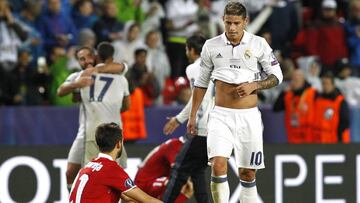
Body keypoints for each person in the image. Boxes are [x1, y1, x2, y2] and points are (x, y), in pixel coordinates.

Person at [187, 2, 283, 203]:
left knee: (247, 173)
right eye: (228, 22)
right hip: (220, 115)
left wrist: (255, 85)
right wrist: (192, 115)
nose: (231, 28)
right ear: (223, 20)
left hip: (248, 118)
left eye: (236, 23)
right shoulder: (211, 46)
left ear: (245, 22)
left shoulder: (258, 44)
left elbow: (277, 76)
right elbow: (201, 83)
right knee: (218, 164)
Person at [56, 46, 127, 189]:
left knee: (108, 175)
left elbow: (123, 66)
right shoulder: (80, 76)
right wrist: (77, 84)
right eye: (81, 59)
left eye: (88, 56)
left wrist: (97, 70)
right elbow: (60, 91)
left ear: (95, 56)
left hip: (108, 132)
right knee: (70, 173)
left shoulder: (115, 75)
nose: (86, 61)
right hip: (85, 132)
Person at [162, 34, 213, 203]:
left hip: (203, 128)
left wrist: (178, 119)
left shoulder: (194, 69)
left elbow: (197, 99)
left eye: (186, 49)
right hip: (220, 128)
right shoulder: (217, 66)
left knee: (179, 169)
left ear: (192, 50)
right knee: (197, 171)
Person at [69, 122, 163, 203]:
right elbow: (148, 200)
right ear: (118, 144)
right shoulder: (111, 169)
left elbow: (127, 197)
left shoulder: (87, 167)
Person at [80, 42, 130, 167]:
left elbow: (76, 96)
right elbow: (127, 105)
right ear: (112, 59)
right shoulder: (121, 79)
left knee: (90, 173)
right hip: (114, 133)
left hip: (92, 131)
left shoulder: (85, 76)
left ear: (96, 57)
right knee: (114, 174)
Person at [134, 137, 194, 202]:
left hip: (153, 182)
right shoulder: (175, 145)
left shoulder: (184, 146)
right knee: (179, 182)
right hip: (143, 185)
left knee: (187, 189)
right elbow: (179, 171)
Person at [273, 69, 317, 143]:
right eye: (292, 80)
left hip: (309, 138)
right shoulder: (288, 95)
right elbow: (276, 108)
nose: (293, 82)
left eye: (296, 80)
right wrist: (283, 92)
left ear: (303, 80)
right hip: (292, 137)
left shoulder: (313, 94)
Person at [312, 72, 350, 143]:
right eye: (323, 84)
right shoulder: (318, 99)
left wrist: (338, 137)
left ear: (333, 85)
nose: (325, 86)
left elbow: (345, 122)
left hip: (334, 139)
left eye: (327, 84)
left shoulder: (340, 101)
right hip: (319, 140)